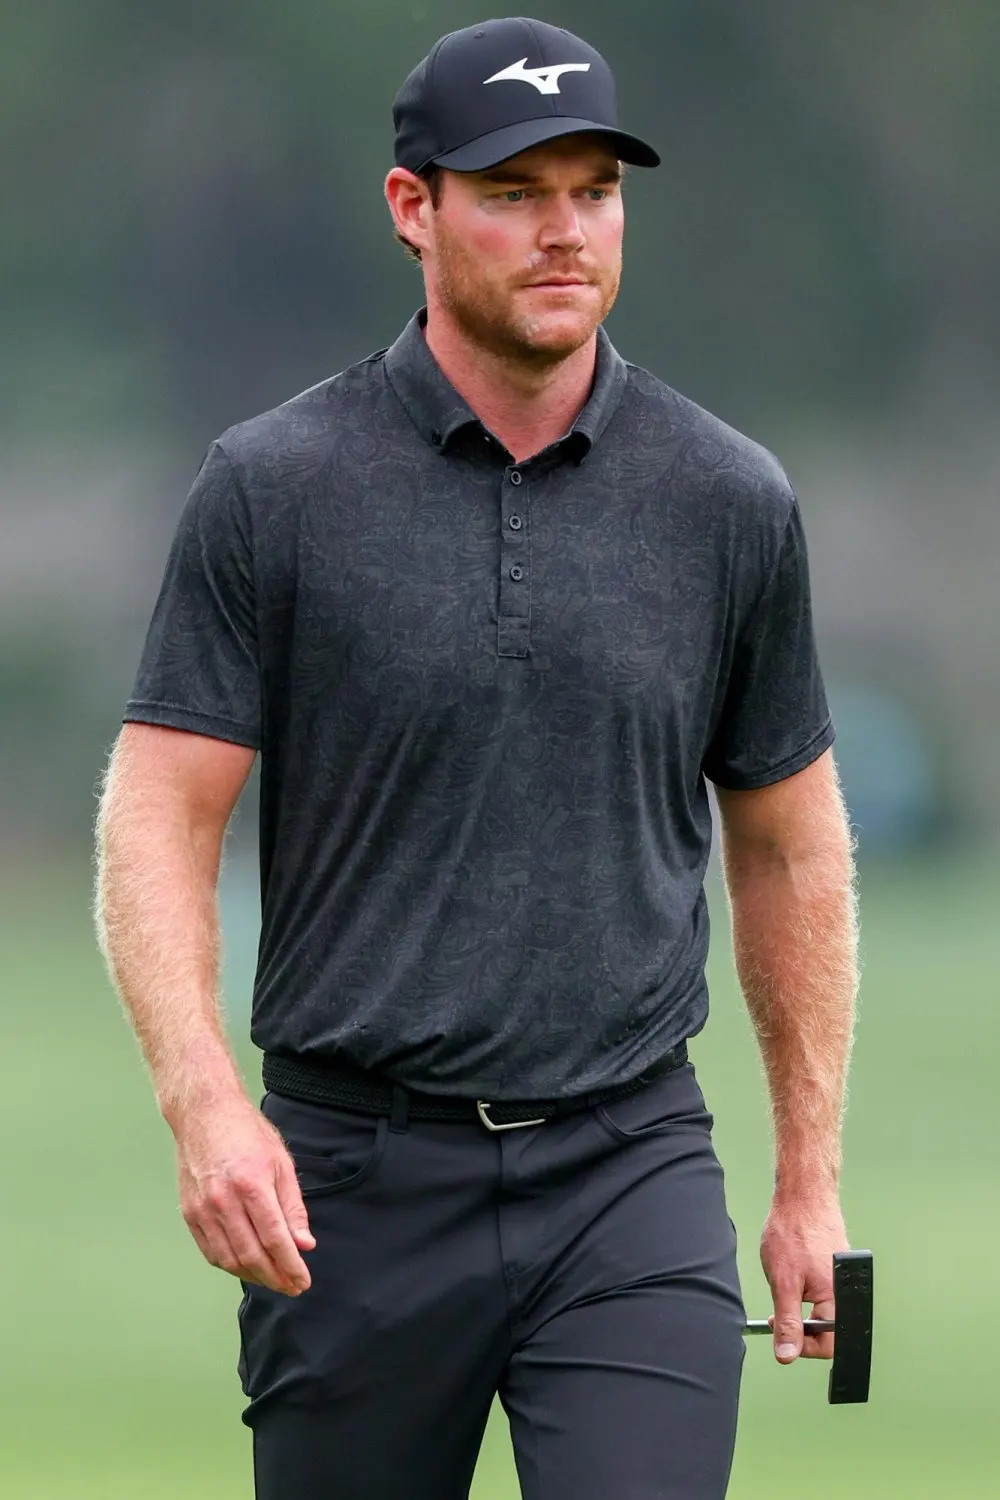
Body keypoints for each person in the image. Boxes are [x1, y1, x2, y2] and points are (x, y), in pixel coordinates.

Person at [94, 17, 858, 1500]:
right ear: (414, 207)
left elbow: (788, 843)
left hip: (629, 1166)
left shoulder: (729, 499)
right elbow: (160, 819)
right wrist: (205, 1108)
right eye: (513, 192)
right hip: (352, 1181)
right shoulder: (273, 488)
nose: (565, 230)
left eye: (594, 191)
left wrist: (809, 1183)